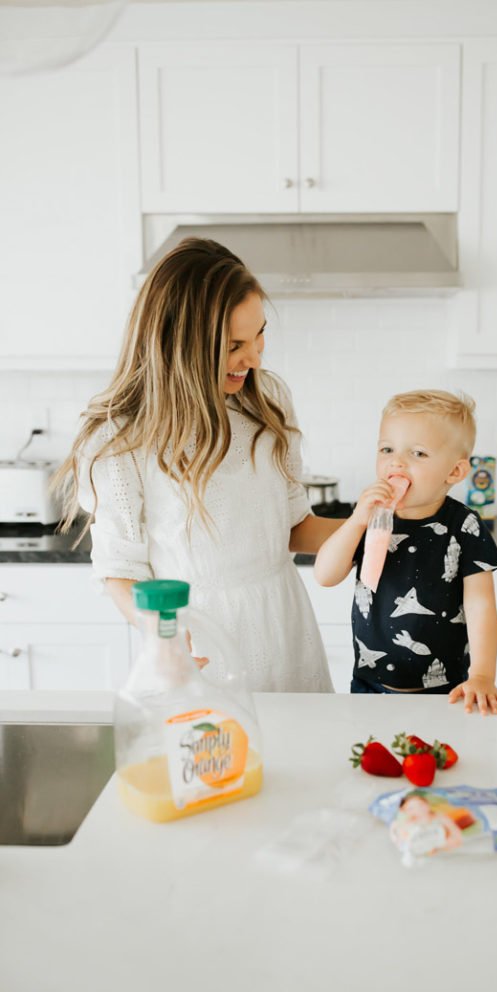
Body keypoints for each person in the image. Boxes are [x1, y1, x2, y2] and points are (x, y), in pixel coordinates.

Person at [54, 237, 342, 693]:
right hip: (200, 641)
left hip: (284, 620)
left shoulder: (269, 402)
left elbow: (295, 527)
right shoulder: (121, 437)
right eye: (234, 345)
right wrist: (160, 631)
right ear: (177, 344)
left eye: (259, 333)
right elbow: (120, 570)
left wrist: (379, 520)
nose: (255, 357)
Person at [314, 389, 497, 713]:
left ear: (455, 472)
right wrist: (355, 521)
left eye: (418, 453)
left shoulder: (464, 525)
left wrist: (483, 675)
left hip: (447, 691)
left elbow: (481, 604)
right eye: (387, 449)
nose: (397, 461)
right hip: (368, 686)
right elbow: (325, 575)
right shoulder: (370, 516)